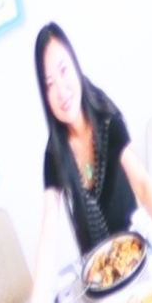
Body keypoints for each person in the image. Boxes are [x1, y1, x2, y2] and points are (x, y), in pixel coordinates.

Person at [35, 23, 145, 266]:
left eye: (63, 71)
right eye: (49, 85)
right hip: (97, 276)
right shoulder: (55, 151)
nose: (61, 92)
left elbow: (142, 183)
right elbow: (49, 232)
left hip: (136, 257)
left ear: (75, 65)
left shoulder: (107, 120)